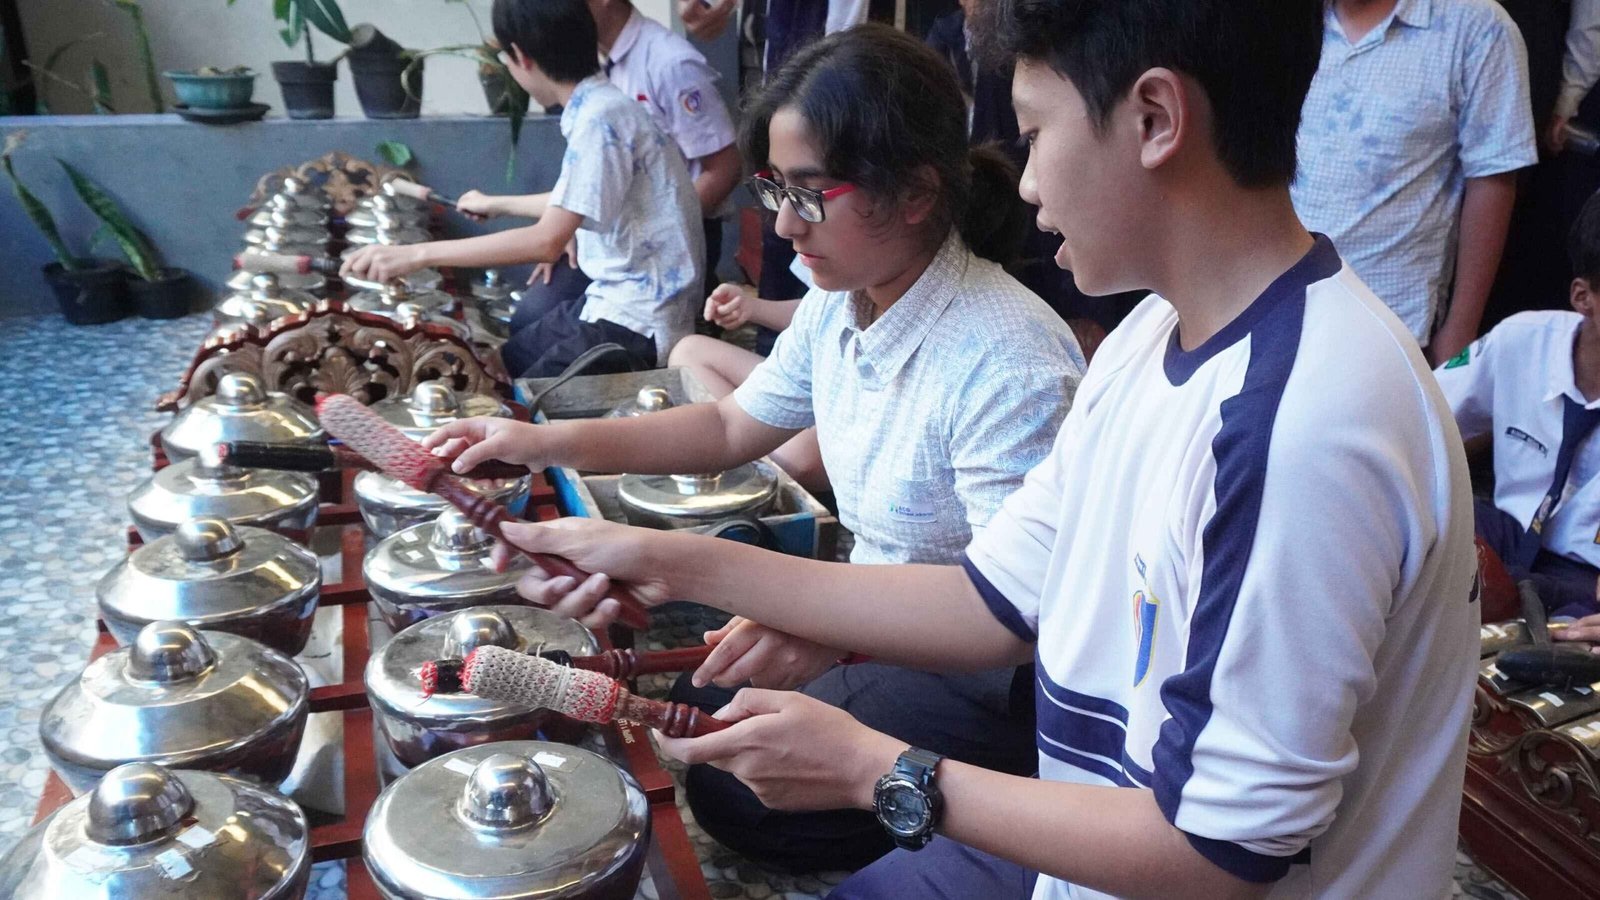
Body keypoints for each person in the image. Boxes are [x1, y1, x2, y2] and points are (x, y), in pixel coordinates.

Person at [480, 0, 1481, 896]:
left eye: (1036, 133)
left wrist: (876, 770)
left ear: (1155, 119)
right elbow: (988, 598)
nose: (1026, 182)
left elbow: (1215, 859)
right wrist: (657, 556)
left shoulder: (1301, 423)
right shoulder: (1150, 339)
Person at [426, 24, 1085, 873]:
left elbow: (1004, 618)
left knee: (733, 784)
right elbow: (731, 427)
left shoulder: (1009, 356)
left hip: (983, 670)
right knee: (705, 701)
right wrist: (542, 443)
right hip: (880, 608)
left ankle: (990, 812)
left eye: (809, 194)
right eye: (775, 188)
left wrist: (821, 625)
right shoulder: (843, 298)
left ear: (917, 193)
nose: (782, 223)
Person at [342, 0, 702, 379]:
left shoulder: (601, 119)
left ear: (520, 57)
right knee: (502, 362)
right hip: (612, 301)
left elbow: (546, 242)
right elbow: (577, 198)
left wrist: (415, 255)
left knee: (521, 396)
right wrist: (497, 204)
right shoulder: (601, 105)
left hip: (641, 321)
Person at [1291, 0, 1538, 364]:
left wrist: (1460, 331)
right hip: (1274, 305)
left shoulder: (1477, 26)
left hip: (1388, 324)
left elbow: (1493, 179)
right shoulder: (1289, 16)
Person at [1437, 190, 1600, 619]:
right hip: (1509, 533)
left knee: (1544, 624)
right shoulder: (1522, 340)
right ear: (1583, 297)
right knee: (1421, 521)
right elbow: (1416, 420)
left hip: (1586, 576)